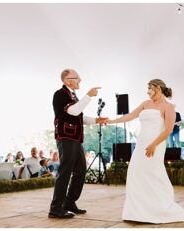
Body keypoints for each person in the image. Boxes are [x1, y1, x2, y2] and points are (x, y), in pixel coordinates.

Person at [100, 79, 184, 224]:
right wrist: (111, 121)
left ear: (159, 88)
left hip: (156, 144)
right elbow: (130, 116)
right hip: (141, 143)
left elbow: (168, 130)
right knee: (135, 172)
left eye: (150, 88)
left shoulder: (168, 107)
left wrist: (154, 144)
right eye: (147, 89)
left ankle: (158, 209)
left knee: (152, 174)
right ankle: (136, 211)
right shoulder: (145, 104)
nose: (148, 92)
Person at [49, 68, 106, 219]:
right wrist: (88, 95)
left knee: (81, 169)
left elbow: (78, 116)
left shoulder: (73, 96)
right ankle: (55, 208)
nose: (80, 80)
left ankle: (69, 202)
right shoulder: (60, 94)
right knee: (65, 171)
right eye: (77, 78)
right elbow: (73, 111)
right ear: (67, 81)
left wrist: (96, 120)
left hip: (75, 138)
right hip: (65, 137)